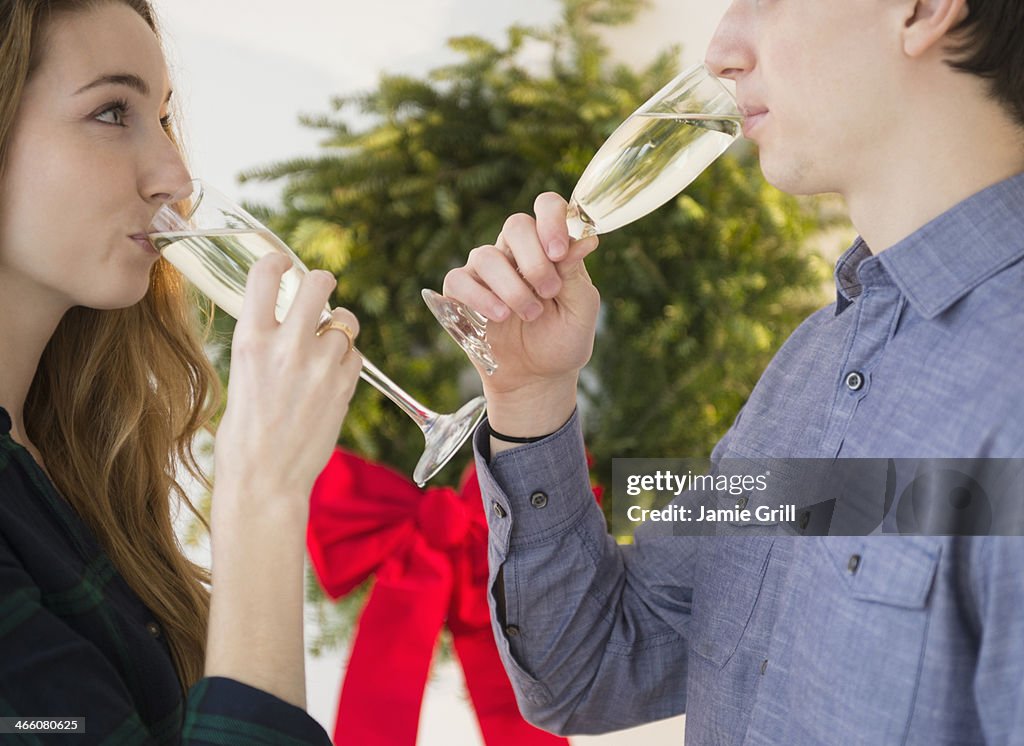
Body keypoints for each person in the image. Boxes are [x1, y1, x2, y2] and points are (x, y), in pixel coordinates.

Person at [444, 0, 1024, 742]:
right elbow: (591, 670)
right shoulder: (812, 365)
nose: (719, 50)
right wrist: (531, 396)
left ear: (923, 10)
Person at [0, 1, 362, 742]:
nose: (176, 175)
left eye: (163, 117)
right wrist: (263, 500)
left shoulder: (74, 458)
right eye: (111, 111)